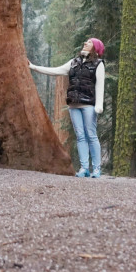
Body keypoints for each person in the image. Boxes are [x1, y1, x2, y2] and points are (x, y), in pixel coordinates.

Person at [29, 38, 105, 178]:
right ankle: (84, 168)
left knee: (91, 135)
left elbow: (100, 85)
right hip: (73, 104)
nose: (85, 43)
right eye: (85, 42)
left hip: (89, 105)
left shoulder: (98, 64)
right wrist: (34, 67)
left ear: (95, 47)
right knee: (80, 136)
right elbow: (56, 71)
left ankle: (96, 169)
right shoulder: (74, 62)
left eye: (89, 42)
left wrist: (99, 105)